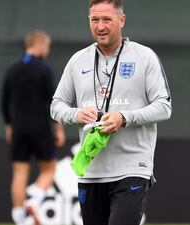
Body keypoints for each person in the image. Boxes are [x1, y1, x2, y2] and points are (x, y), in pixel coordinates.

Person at [50, 0, 172, 224]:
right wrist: (76, 114)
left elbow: (164, 106)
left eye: (107, 19)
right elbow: (56, 106)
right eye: (94, 20)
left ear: (122, 20)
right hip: (91, 171)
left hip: (132, 168)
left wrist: (124, 118)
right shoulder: (77, 61)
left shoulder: (144, 57)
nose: (100, 26)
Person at [1, 30, 66, 225]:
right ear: (39, 45)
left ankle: (20, 218)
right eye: (47, 46)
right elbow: (54, 102)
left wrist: (9, 125)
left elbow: (4, 102)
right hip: (40, 128)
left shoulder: (12, 69)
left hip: (19, 128)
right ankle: (35, 198)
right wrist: (59, 129)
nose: (47, 50)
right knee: (49, 170)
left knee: (19, 174)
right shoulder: (44, 70)